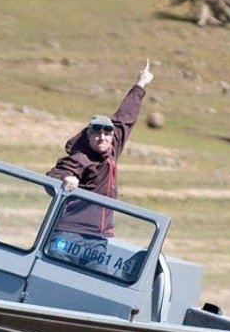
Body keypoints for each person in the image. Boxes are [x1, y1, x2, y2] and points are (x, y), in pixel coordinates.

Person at [45, 60, 153, 271]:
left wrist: (140, 84)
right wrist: (66, 179)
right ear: (88, 135)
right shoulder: (81, 158)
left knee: (99, 283)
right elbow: (54, 175)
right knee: (58, 278)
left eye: (106, 133)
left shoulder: (112, 147)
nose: (102, 138)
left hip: (97, 239)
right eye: (96, 133)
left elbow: (125, 117)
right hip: (69, 235)